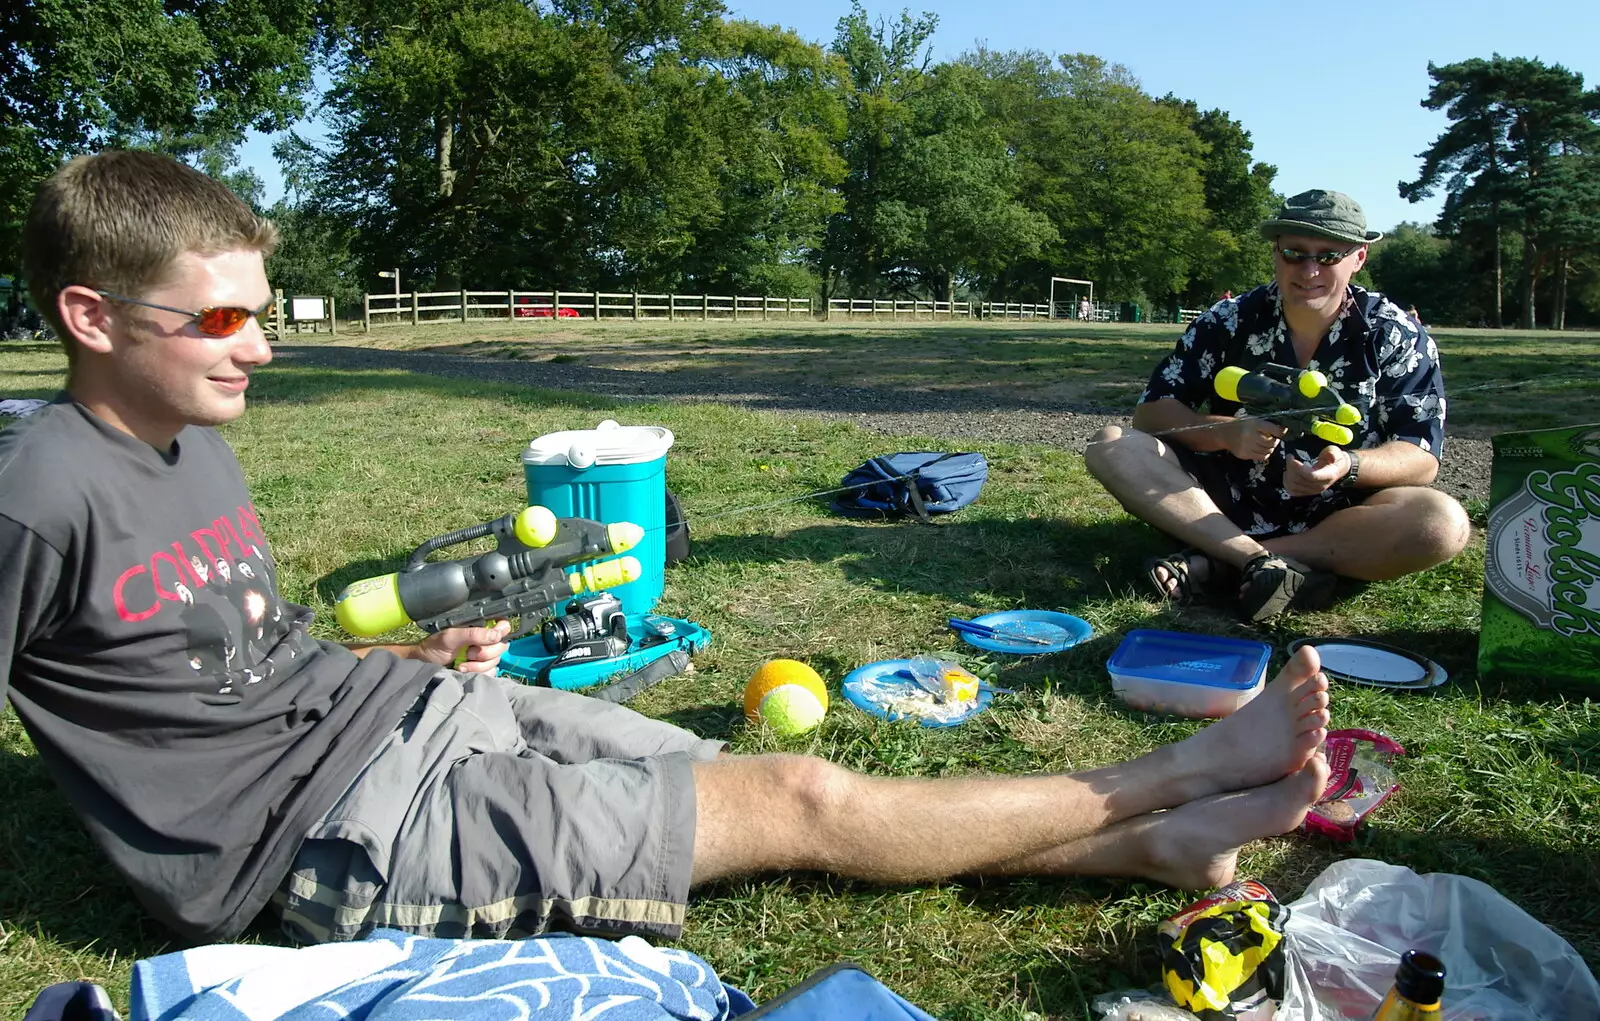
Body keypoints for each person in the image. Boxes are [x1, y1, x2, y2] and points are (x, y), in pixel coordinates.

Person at [1, 150, 1333, 949]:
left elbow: (227, 660)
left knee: (752, 785)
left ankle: (1150, 850)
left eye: (256, 312)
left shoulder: (192, 440)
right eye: (222, 319)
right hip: (323, 836)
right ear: (91, 316)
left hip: (408, 710)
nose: (263, 344)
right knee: (802, 800)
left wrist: (413, 648)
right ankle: (1170, 772)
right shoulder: (32, 490)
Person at [1084, 190, 1470, 621]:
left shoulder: (1396, 335)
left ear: (1358, 257)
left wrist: (1348, 466)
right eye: (1294, 253)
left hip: (1341, 519)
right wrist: (1224, 433)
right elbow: (1152, 413)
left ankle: (1220, 563)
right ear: (1275, 252)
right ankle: (1256, 562)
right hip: (1216, 506)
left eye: (1328, 256)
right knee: (1112, 444)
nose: (1309, 270)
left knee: (1442, 523)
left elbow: (1420, 456)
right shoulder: (1228, 319)